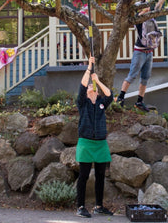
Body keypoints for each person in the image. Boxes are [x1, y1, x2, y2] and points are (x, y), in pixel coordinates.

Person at [116, 0, 168, 112]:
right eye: (145, 6)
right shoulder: (138, 20)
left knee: (145, 78)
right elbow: (142, 12)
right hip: (139, 52)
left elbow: (160, 2)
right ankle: (120, 98)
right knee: (132, 75)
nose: (148, 8)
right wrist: (145, 6)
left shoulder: (151, 17)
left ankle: (139, 102)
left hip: (149, 52)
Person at [75, 57, 113, 218]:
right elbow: (83, 85)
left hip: (101, 144)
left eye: (93, 86)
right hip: (85, 142)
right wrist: (90, 67)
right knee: (83, 176)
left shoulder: (102, 103)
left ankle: (99, 206)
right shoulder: (82, 103)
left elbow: (109, 94)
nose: (91, 86)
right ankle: (81, 207)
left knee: (100, 176)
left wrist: (98, 80)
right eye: (91, 85)